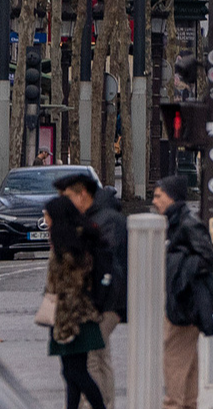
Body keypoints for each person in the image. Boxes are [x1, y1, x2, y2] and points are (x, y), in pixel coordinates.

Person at [56, 174, 126, 405]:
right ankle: (106, 403)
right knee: (101, 357)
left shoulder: (102, 221)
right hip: (111, 301)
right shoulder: (105, 218)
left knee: (91, 360)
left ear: (82, 195)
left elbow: (100, 263)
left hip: (104, 302)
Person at [153, 175, 213, 409]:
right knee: (188, 363)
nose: (154, 201)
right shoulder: (176, 223)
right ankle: (188, 404)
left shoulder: (186, 225)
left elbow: (207, 259)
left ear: (171, 197)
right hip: (183, 301)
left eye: (159, 196)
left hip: (184, 302)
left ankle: (174, 404)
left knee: (174, 360)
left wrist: (181, 273)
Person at [43, 194, 108, 409]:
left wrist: (64, 326)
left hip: (73, 317)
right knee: (72, 373)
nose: (45, 220)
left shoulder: (70, 248)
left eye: (47, 216)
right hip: (71, 316)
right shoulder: (68, 242)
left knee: (76, 372)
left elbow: (69, 289)